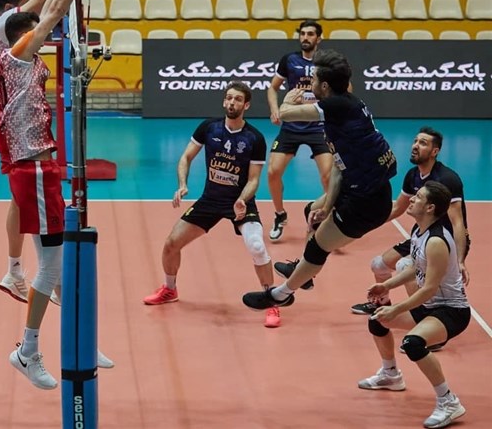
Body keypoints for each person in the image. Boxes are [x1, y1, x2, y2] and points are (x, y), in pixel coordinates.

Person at [0, 0, 117, 389]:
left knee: (57, 265)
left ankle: (82, 339)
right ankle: (27, 351)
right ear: (23, 35)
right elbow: (51, 12)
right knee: (51, 267)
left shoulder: (25, 59)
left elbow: (46, 8)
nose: (46, 35)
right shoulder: (15, 57)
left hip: (40, 168)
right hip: (33, 167)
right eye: (38, 32)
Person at [0, 0, 116, 303]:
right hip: (14, 122)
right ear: (12, 8)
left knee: (19, 199)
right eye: (25, 4)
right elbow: (49, 3)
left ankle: (19, 271)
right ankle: (40, 278)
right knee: (28, 196)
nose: (33, 4)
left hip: (7, 117)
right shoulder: (5, 29)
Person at [242, 49, 397, 310]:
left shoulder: (336, 106)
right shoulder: (346, 106)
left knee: (317, 248)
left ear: (324, 86)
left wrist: (287, 100)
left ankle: (280, 294)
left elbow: (285, 114)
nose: (309, 82)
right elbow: (339, 164)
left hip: (366, 204)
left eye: (313, 79)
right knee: (313, 211)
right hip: (357, 185)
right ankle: (305, 271)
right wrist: (328, 205)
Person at [143, 81, 284, 328]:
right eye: (229, 98)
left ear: (246, 105)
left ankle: (271, 301)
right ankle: (170, 289)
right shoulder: (209, 128)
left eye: (237, 99)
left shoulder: (255, 138)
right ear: (223, 101)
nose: (232, 102)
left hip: (239, 202)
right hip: (210, 200)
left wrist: (241, 200)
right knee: (171, 244)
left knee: (257, 246)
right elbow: (186, 157)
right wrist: (182, 185)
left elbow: (253, 180)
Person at [359, 181, 469, 429]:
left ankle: (448, 401)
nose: (411, 199)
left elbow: (429, 287)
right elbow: (416, 268)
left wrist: (397, 308)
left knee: (413, 343)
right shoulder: (419, 231)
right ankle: (390, 375)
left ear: (430, 207)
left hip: (451, 310)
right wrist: (386, 285)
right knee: (378, 320)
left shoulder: (437, 241)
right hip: (430, 306)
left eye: (418, 197)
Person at [351, 127, 469, 316]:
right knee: (379, 265)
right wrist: (363, 224)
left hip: (443, 241)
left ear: (435, 151)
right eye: (415, 141)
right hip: (421, 235)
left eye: (423, 143)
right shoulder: (413, 175)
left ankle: (423, 315)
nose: (415, 145)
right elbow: (397, 208)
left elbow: (458, 223)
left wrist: (460, 260)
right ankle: (381, 302)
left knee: (405, 267)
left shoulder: (447, 179)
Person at [266, 20, 333, 241]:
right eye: (303, 33)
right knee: (273, 172)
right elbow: (272, 87)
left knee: (328, 177)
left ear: (319, 38)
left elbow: (346, 88)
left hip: (319, 125)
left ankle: (326, 219)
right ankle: (280, 214)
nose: (305, 37)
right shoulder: (289, 60)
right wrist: (275, 110)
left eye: (310, 34)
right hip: (292, 125)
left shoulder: (327, 61)